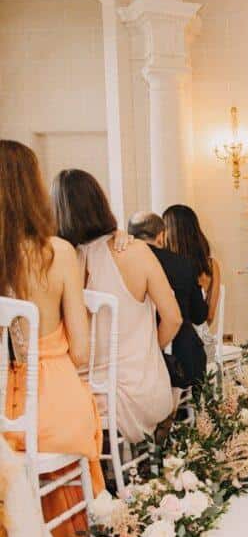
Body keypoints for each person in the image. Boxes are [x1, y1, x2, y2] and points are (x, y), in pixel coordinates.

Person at [0, 141, 105, 537]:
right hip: (53, 405)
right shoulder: (58, 252)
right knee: (79, 424)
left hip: (5, 408)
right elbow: (81, 352)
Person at [51, 170, 181, 445]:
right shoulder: (134, 251)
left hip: (78, 395)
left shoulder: (56, 262)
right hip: (139, 392)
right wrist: (148, 350)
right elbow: (174, 318)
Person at [128, 212, 208, 388]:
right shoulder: (183, 264)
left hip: (133, 358)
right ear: (161, 235)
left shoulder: (122, 264)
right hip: (180, 359)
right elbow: (199, 316)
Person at [163, 205, 222, 362]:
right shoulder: (211, 265)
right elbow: (209, 315)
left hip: (174, 344)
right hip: (202, 343)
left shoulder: (166, 265)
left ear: (171, 231)